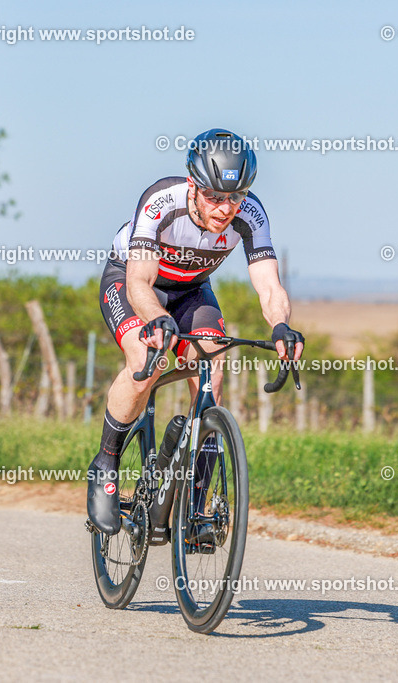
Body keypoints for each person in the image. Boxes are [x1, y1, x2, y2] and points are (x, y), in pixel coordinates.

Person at [87, 128, 304, 534]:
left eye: (235, 197)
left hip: (191, 291)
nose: (226, 209)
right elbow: (138, 283)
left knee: (213, 371)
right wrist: (155, 319)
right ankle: (106, 464)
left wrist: (280, 327)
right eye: (215, 197)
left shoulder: (250, 214)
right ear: (193, 185)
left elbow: (269, 284)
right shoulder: (161, 201)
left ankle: (196, 506)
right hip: (134, 282)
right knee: (144, 362)